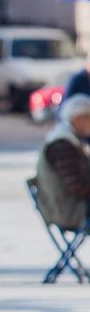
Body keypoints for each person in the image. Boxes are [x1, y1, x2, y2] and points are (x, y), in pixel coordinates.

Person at [35, 93, 90, 230]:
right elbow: (76, 186)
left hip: (71, 207)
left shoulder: (71, 139)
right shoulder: (62, 145)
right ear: (77, 119)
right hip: (69, 211)